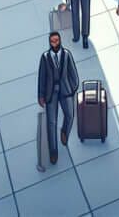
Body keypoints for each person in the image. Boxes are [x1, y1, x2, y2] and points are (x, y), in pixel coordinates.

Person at [36, 32, 80, 167]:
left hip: (66, 91)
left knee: (70, 115)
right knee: (51, 122)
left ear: (60, 41)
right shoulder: (45, 57)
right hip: (51, 93)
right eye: (52, 41)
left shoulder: (67, 54)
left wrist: (73, 89)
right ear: (50, 43)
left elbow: (74, 74)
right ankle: (53, 151)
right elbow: (41, 78)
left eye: (57, 41)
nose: (55, 44)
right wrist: (41, 95)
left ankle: (64, 131)